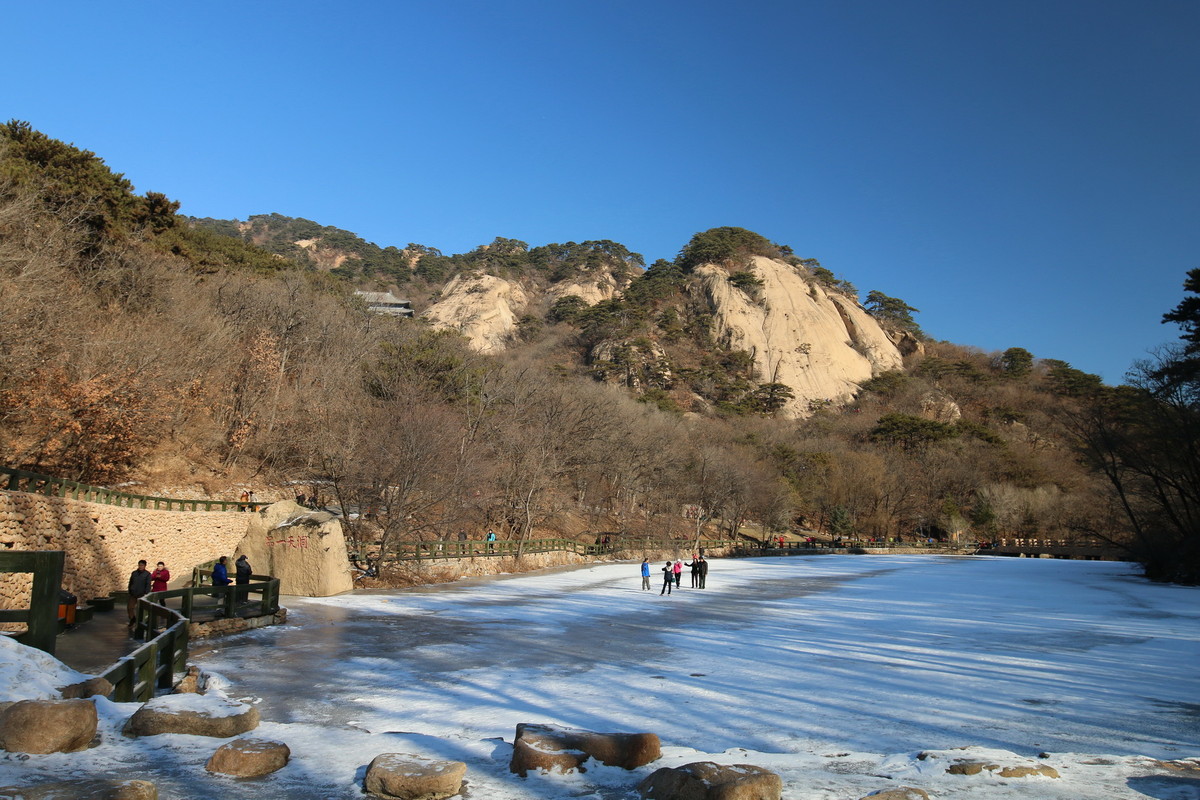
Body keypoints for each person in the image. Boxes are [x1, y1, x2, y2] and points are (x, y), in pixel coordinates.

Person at [127, 559, 151, 626]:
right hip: (133, 593)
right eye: (139, 565)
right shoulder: (134, 573)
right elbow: (131, 582)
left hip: (142, 594)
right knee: (130, 608)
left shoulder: (147, 574)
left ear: (145, 566)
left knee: (141, 609)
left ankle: (141, 622)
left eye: (142, 565)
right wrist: (130, 590)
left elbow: (148, 584)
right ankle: (132, 619)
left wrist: (146, 593)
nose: (140, 566)